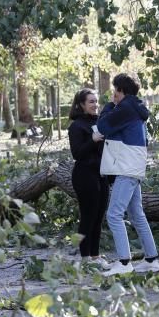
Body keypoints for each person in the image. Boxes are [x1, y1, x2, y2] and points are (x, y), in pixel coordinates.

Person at [95, 73, 159, 276]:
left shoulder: (125, 109)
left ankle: (124, 263)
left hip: (126, 168)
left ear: (122, 91)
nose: (113, 94)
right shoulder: (135, 109)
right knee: (136, 214)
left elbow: (102, 126)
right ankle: (151, 259)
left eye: (116, 90)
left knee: (114, 214)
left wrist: (108, 107)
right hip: (134, 167)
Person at [68, 88, 110, 266]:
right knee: (88, 217)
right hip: (84, 175)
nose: (95, 104)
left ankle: (95, 256)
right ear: (81, 105)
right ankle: (84, 257)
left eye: (96, 101)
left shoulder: (99, 122)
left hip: (101, 175)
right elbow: (77, 153)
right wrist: (92, 140)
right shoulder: (76, 126)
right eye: (91, 101)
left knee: (99, 215)